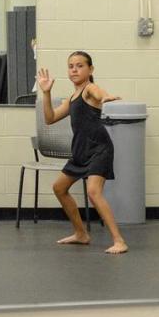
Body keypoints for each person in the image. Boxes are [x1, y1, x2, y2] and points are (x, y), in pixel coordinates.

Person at [36, 51, 128, 254]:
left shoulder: (89, 89)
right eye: (71, 66)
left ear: (90, 69)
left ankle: (119, 241)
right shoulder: (71, 98)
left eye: (80, 65)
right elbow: (50, 118)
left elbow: (98, 92)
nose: (74, 69)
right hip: (80, 151)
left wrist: (106, 97)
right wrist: (46, 93)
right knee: (59, 188)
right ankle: (81, 234)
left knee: (93, 192)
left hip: (99, 148)